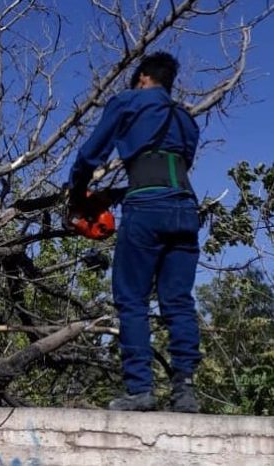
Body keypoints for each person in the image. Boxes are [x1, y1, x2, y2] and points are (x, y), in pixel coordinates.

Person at [66, 52, 201, 412]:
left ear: (142, 77)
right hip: (186, 210)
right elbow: (167, 170)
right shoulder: (187, 120)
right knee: (178, 301)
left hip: (145, 212)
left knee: (132, 300)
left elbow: (91, 154)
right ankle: (185, 390)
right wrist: (116, 194)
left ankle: (141, 390)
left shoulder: (128, 102)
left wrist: (77, 194)